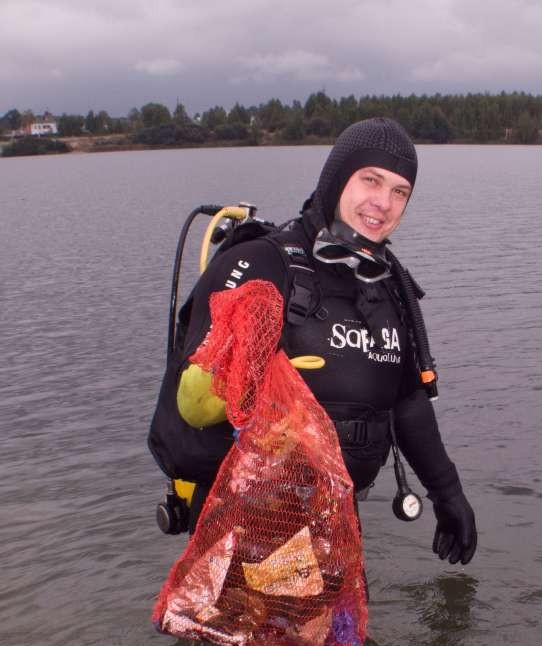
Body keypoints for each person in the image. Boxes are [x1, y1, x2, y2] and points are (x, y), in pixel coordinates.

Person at [160, 117, 477, 567]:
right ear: (337, 178)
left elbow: (406, 401)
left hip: (334, 519)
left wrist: (448, 494)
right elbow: (191, 405)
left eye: (399, 191)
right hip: (251, 519)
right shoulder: (261, 263)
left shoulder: (387, 284)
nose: (383, 203)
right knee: (293, 636)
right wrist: (245, 363)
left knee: (340, 634)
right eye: (371, 180)